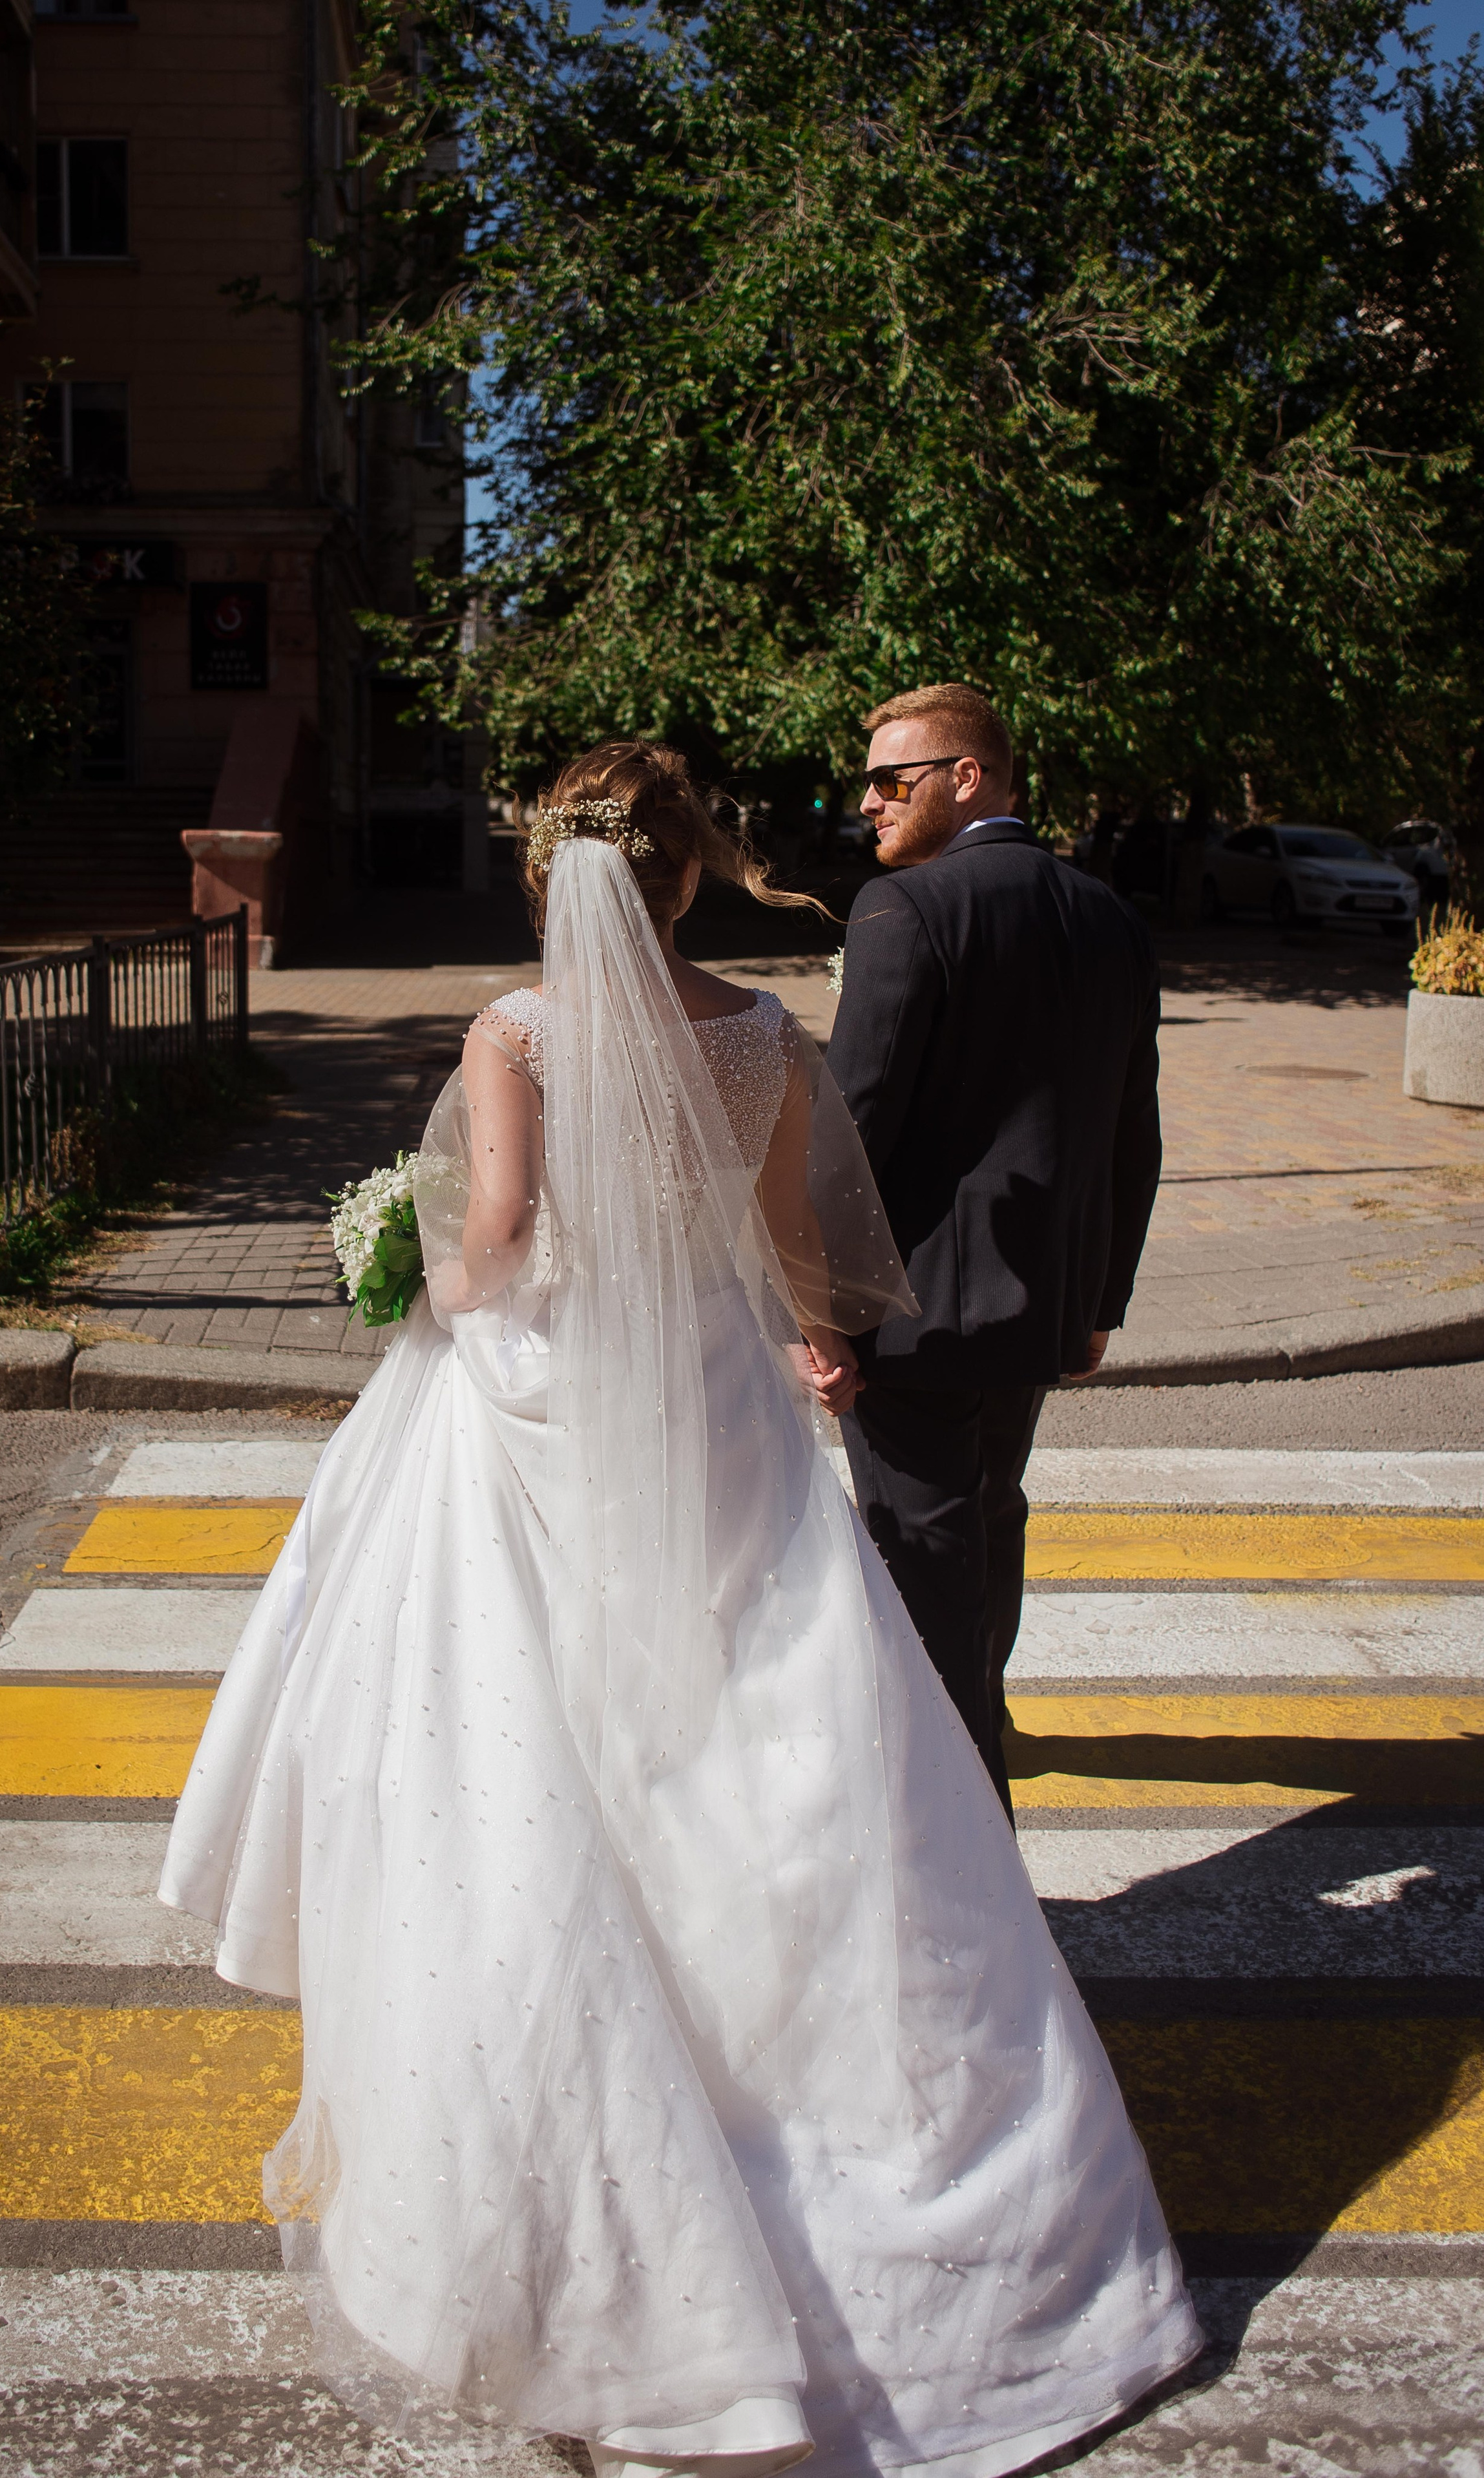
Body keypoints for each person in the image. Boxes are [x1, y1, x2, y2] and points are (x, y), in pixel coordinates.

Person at [161, 740, 1198, 2478]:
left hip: (548, 1404)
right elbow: (799, 1243)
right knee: (758, 1747)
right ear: (694, 871)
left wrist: (411, 1262)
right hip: (715, 1410)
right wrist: (817, 1340)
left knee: (519, 1760)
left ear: (551, 874)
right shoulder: (765, 1037)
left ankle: (560, 2205)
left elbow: (495, 1231)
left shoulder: (517, 1033)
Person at [826, 685, 1163, 1818]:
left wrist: (809, 1312)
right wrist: (1100, 1298)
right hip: (1041, 1304)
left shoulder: (903, 909)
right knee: (989, 1518)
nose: (867, 800)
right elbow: (1134, 1131)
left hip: (910, 1313)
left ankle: (966, 1829)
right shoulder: (1109, 915)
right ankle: (982, 1709)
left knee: (922, 1558)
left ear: (968, 777)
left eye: (892, 779)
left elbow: (853, 1128)